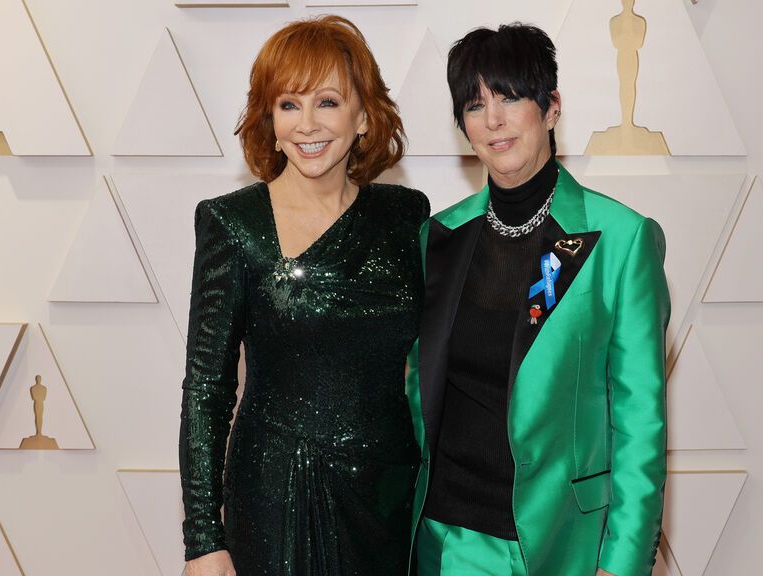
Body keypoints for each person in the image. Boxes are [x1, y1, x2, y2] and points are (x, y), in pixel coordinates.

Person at [406, 23, 670, 576]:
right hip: (443, 543)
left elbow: (640, 425)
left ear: (551, 107)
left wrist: (621, 566)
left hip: (555, 546)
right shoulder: (440, 239)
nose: (494, 120)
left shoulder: (620, 240)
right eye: (475, 105)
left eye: (510, 97)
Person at [179, 15, 428, 576]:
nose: (307, 124)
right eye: (289, 104)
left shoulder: (405, 216)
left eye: (328, 102)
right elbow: (207, 389)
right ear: (269, 118)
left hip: (389, 499)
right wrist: (203, 538)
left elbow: (434, 366)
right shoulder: (232, 223)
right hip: (277, 498)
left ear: (364, 116)